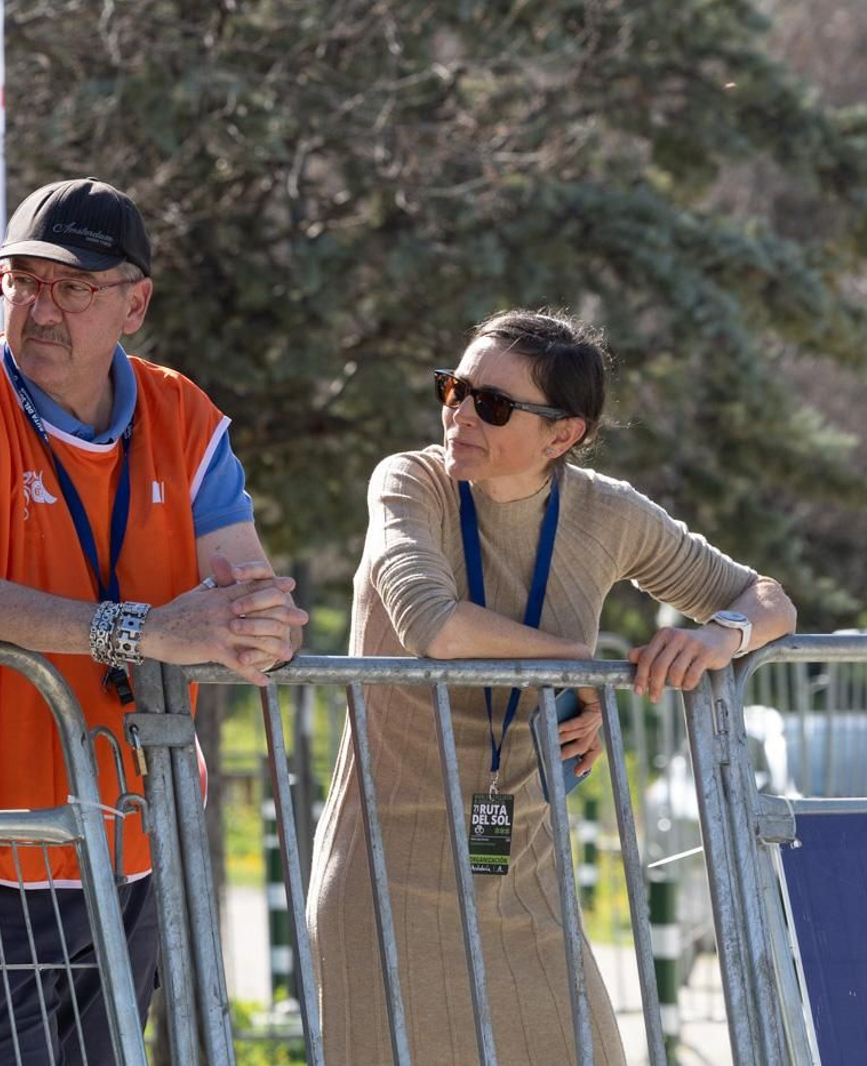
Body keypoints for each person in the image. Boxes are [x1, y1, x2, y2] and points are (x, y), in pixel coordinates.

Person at [0, 177, 307, 1063]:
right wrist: (143, 631)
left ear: (136, 303)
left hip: (120, 796)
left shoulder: (185, 415)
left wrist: (262, 626)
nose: (40, 307)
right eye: (23, 281)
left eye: (73, 286)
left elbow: (250, 594)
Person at [307, 309, 796, 1064]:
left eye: (493, 404)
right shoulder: (411, 481)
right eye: (454, 388)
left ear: (562, 435)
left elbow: (769, 601)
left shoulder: (607, 512)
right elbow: (432, 624)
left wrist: (718, 636)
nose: (461, 414)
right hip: (380, 879)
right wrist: (575, 662)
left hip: (523, 880)